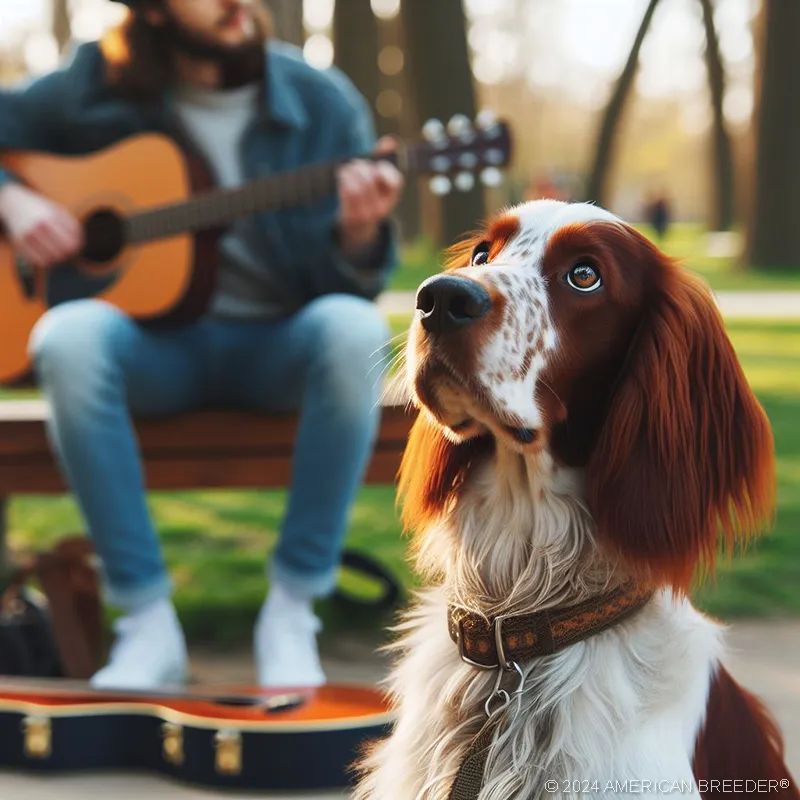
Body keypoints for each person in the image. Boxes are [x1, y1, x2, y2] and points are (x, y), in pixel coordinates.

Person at [0, 0, 403, 690]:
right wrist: (16, 202)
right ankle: (146, 620)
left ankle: (293, 610)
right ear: (155, 12)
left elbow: (355, 283)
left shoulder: (320, 102)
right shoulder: (92, 81)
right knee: (66, 335)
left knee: (355, 329)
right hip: (155, 355)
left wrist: (359, 235)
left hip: (275, 347)